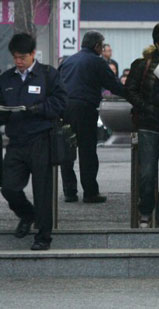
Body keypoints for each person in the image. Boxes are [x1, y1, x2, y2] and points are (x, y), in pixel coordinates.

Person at [0, 33, 67, 250]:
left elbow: (60, 103)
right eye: (15, 58)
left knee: (42, 191)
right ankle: (27, 215)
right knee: (8, 187)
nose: (18, 62)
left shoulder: (47, 75)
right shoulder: (6, 79)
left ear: (32, 54)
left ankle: (43, 236)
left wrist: (37, 109)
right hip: (16, 141)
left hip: (41, 139)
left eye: (22, 57)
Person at [58, 31, 125, 203]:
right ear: (96, 46)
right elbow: (113, 84)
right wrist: (134, 96)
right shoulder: (97, 61)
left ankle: (69, 191)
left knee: (67, 149)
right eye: (102, 46)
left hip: (64, 108)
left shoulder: (68, 61)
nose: (103, 49)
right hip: (85, 109)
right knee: (87, 151)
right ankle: (90, 192)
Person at [125, 21, 159, 228]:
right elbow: (130, 90)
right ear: (157, 42)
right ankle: (145, 210)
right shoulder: (143, 64)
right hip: (148, 123)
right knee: (147, 172)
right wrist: (147, 108)